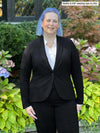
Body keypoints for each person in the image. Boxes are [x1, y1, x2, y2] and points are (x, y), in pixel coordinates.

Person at [20, 7, 84, 133]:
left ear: (58, 24)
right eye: (48, 20)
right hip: (40, 100)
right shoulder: (32, 47)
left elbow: (76, 73)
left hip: (65, 99)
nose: (51, 24)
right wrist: (26, 104)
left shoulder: (68, 45)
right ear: (42, 23)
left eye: (55, 21)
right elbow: (24, 76)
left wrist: (80, 100)